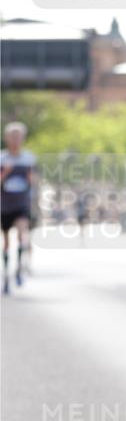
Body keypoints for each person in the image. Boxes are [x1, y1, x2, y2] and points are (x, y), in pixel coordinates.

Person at [1, 122, 36, 295]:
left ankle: (20, 267)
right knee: (6, 242)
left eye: (18, 136)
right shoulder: (2, 158)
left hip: (22, 204)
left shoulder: (29, 158)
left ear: (23, 138)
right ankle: (6, 275)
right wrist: (5, 173)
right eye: (12, 136)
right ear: (6, 138)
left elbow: (34, 182)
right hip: (4, 204)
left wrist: (31, 179)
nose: (15, 139)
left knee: (23, 233)